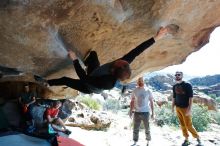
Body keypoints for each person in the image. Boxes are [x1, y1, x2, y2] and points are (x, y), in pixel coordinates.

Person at [47, 27, 169, 94]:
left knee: (65, 80)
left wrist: (74, 60)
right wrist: (157, 37)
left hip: (89, 86)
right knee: (93, 55)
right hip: (96, 72)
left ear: (113, 70)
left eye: (118, 62)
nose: (119, 59)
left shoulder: (107, 83)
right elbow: (138, 50)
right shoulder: (123, 64)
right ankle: (87, 64)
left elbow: (84, 78)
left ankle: (47, 82)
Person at [172, 71, 203, 146]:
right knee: (182, 124)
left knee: (188, 125)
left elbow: (191, 98)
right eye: (176, 75)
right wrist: (172, 107)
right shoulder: (174, 86)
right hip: (178, 107)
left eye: (178, 75)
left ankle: (198, 138)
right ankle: (186, 139)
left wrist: (189, 109)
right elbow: (174, 97)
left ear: (182, 76)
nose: (177, 76)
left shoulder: (187, 85)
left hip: (185, 108)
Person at [129, 77, 154, 146]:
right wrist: (131, 111)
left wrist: (153, 113)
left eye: (141, 81)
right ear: (137, 82)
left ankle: (148, 141)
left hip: (146, 112)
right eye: (139, 81)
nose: (140, 82)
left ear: (144, 81)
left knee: (147, 128)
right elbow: (132, 101)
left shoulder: (148, 90)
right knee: (135, 128)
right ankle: (135, 141)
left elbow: (152, 102)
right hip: (137, 112)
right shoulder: (135, 90)